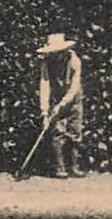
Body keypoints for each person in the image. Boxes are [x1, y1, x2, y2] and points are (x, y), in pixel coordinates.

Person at [36, 32, 85, 179]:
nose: (54, 55)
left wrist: (63, 104)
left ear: (63, 51)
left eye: (56, 52)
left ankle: (74, 166)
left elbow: (74, 87)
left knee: (75, 131)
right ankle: (59, 168)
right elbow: (44, 85)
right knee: (57, 132)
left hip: (74, 99)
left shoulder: (75, 61)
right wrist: (45, 112)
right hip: (57, 98)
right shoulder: (46, 63)